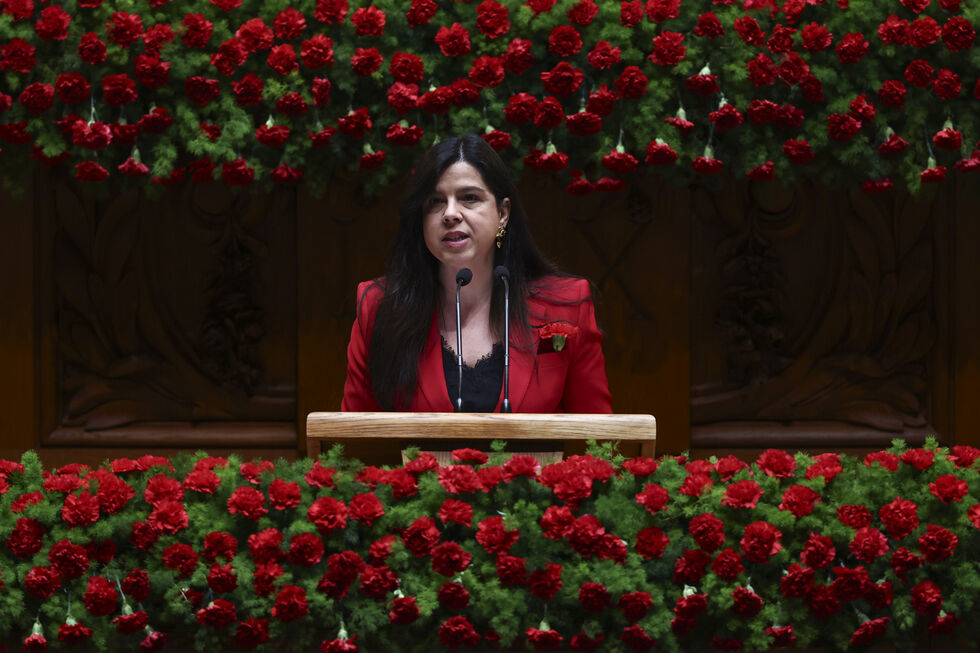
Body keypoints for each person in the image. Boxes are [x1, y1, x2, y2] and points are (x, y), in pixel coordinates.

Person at [341, 134, 611, 413]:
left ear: (503, 213)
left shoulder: (566, 303)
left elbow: (600, 442)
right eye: (435, 201)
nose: (450, 213)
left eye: (469, 198)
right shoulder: (379, 305)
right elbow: (352, 440)